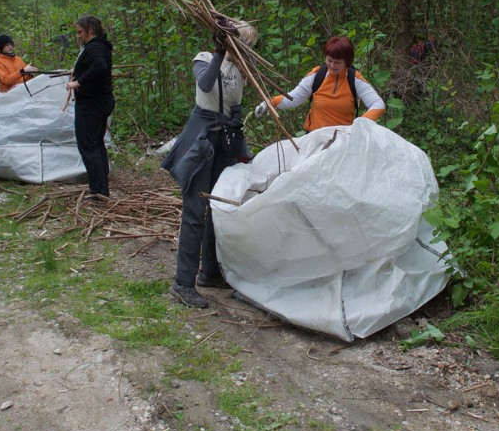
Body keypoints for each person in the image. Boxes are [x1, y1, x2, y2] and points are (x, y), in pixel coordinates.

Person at [162, 18, 258, 309]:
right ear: (229, 40)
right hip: (201, 140)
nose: (247, 47)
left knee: (219, 205)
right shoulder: (203, 58)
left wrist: (244, 57)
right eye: (243, 42)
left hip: (227, 139)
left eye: (249, 44)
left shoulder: (243, 67)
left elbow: (253, 77)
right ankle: (182, 283)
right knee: (195, 210)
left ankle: (210, 272)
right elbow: (205, 85)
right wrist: (219, 52)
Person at [253, 35, 385, 130]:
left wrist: (361, 123)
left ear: (347, 62)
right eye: (329, 60)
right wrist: (269, 103)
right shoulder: (317, 76)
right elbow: (294, 99)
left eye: (337, 62)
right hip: (314, 138)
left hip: (343, 141)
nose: (332, 65)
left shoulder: (354, 80)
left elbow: (378, 104)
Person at [65, 16, 115, 200]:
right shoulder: (100, 47)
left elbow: (100, 67)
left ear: (90, 30)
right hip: (99, 102)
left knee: (89, 146)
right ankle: (101, 189)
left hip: (92, 104)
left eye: (80, 32)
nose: (79, 36)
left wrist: (78, 82)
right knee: (96, 144)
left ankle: (99, 190)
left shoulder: (95, 47)